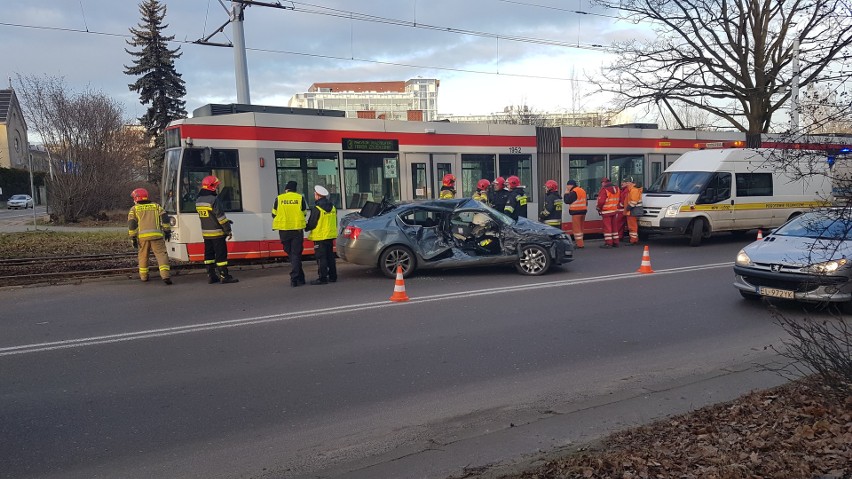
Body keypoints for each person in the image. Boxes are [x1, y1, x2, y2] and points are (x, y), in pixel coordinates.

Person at [196, 175, 238, 283]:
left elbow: (208, 217)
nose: (217, 187)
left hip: (206, 233)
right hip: (217, 233)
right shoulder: (214, 200)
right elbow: (221, 218)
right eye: (216, 185)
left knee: (209, 255)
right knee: (221, 255)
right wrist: (228, 230)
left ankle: (211, 275)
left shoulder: (198, 200)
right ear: (212, 187)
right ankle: (224, 276)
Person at [128, 188, 172, 285]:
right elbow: (165, 218)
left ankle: (144, 277)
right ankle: (165, 276)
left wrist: (133, 237)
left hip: (142, 238)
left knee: (143, 257)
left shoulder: (134, 209)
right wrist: (167, 231)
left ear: (137, 198)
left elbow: (132, 224)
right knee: (161, 255)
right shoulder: (156, 206)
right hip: (157, 236)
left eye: (134, 198)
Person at [272, 180, 308, 287]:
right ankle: (298, 277)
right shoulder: (300, 198)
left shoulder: (279, 198)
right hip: (297, 230)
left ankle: (295, 277)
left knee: (291, 254)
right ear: (295, 189)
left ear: (286, 189)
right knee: (295, 254)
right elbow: (304, 213)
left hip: (283, 231)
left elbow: (274, 214)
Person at [306, 185, 338, 285]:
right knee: (330, 257)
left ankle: (322, 278)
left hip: (320, 237)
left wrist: (306, 227)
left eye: (315, 194)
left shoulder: (317, 208)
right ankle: (333, 276)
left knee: (321, 258)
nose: (314, 195)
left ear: (318, 195)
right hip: (330, 236)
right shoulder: (333, 207)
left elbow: (312, 223)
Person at [596, 177, 621, 248]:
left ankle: (608, 243)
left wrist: (598, 208)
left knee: (607, 228)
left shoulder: (604, 190)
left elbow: (601, 201)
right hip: (614, 210)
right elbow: (619, 199)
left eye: (601, 183)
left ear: (603, 183)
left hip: (606, 211)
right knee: (614, 227)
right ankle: (616, 242)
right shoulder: (617, 188)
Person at [564, 179, 587, 248]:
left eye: (567, 185)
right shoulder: (582, 190)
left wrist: (566, 193)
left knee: (576, 229)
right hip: (583, 211)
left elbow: (567, 201)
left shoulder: (574, 192)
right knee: (581, 228)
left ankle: (580, 244)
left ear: (571, 185)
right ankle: (581, 242)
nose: (567, 187)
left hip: (576, 212)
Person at [622, 176, 643, 245]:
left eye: (624, 182)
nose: (623, 183)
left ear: (629, 183)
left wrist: (627, 208)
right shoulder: (632, 189)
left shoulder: (633, 190)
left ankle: (633, 240)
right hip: (632, 210)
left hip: (632, 211)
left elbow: (633, 201)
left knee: (632, 226)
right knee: (632, 226)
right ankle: (634, 239)